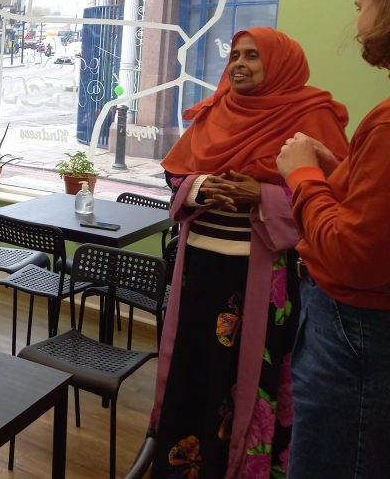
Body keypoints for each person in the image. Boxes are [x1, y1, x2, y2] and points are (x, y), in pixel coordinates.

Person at [149, 27, 351, 478]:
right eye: (235, 55)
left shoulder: (312, 117)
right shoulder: (215, 111)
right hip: (198, 272)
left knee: (243, 379)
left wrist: (260, 196)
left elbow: (334, 200)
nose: (239, 64)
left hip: (262, 277)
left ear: (280, 64)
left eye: (253, 57)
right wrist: (202, 187)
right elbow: (177, 175)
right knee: (193, 367)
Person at [277, 0, 390, 478]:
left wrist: (299, 176)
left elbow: (354, 252)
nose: (357, 13)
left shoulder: (321, 112)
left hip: (355, 329)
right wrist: (336, 174)